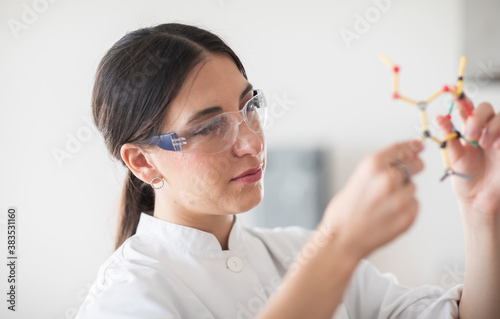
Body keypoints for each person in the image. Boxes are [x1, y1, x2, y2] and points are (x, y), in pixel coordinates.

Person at [75, 23, 500, 319]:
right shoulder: (124, 299)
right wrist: (340, 245)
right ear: (143, 161)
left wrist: (482, 213)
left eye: (249, 108)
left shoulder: (299, 251)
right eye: (208, 127)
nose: (252, 143)